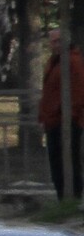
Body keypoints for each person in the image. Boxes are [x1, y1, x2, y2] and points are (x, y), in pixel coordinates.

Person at [43, 28, 84, 200]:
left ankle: (71, 196)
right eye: (53, 41)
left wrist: (71, 116)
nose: (55, 45)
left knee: (68, 159)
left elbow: (78, 91)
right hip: (54, 119)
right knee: (56, 160)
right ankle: (63, 197)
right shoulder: (55, 61)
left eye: (58, 41)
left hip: (66, 120)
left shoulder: (73, 62)